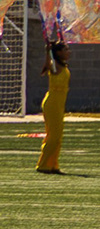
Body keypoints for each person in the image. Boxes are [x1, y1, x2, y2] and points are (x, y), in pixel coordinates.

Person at [32, 38, 66, 174]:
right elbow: (49, 64)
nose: (69, 52)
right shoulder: (54, 66)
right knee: (54, 136)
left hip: (59, 104)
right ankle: (43, 165)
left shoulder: (62, 65)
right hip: (52, 103)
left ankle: (53, 165)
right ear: (58, 53)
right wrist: (48, 51)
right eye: (66, 50)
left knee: (58, 136)